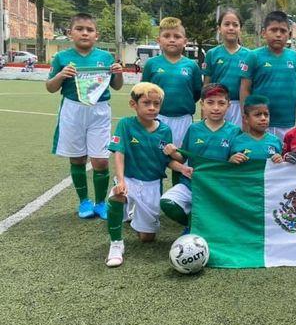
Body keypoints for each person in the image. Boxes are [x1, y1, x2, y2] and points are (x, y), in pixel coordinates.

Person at [46, 13, 123, 220]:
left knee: (100, 161)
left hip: (99, 111)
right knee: (78, 158)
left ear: (96, 35)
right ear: (70, 33)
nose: (85, 33)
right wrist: (61, 75)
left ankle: (100, 203)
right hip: (73, 110)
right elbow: (50, 87)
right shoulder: (61, 58)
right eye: (79, 29)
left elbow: (116, 86)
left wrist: (118, 72)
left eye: (89, 30)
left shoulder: (105, 57)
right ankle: (84, 201)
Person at [105, 82, 188, 267]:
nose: (152, 108)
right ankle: (116, 244)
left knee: (147, 238)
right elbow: (119, 152)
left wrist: (183, 168)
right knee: (118, 195)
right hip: (130, 178)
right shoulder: (126, 124)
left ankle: (135, 212)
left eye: (156, 104)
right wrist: (121, 179)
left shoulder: (165, 130)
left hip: (152, 184)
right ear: (133, 104)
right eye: (146, 103)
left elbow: (167, 160)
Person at [160, 83, 241, 232]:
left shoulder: (235, 131)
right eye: (210, 103)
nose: (216, 108)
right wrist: (171, 151)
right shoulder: (194, 129)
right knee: (167, 202)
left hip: (219, 187)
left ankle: (203, 224)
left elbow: (237, 162)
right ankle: (192, 225)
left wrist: (232, 160)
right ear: (202, 105)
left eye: (221, 103)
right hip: (192, 183)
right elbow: (181, 157)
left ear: (228, 105)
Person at [141, 17, 202, 183]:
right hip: (158, 119)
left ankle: (178, 197)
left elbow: (197, 93)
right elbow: (143, 93)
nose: (172, 39)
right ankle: (153, 195)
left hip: (184, 119)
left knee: (181, 159)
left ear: (185, 41)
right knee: (156, 158)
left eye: (177, 36)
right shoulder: (152, 64)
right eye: (167, 36)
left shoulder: (191, 66)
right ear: (159, 40)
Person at [240, 11, 296, 141]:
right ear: (264, 32)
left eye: (283, 31)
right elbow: (245, 89)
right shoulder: (253, 56)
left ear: (289, 34)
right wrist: (245, 118)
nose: (278, 34)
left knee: (285, 159)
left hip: (287, 124)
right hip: (259, 123)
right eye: (273, 30)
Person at [202, 8, 251, 127]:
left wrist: (245, 113)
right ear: (219, 28)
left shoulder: (249, 55)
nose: (231, 28)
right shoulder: (212, 54)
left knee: (237, 141)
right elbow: (206, 85)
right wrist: (204, 113)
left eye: (235, 25)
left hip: (239, 105)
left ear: (240, 29)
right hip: (217, 105)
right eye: (227, 24)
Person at [229, 95, 284, 163]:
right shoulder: (236, 141)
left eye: (266, 114)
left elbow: (281, 169)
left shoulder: (276, 141)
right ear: (245, 118)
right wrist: (231, 161)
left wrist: (280, 160)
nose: (263, 118)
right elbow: (228, 169)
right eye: (257, 115)